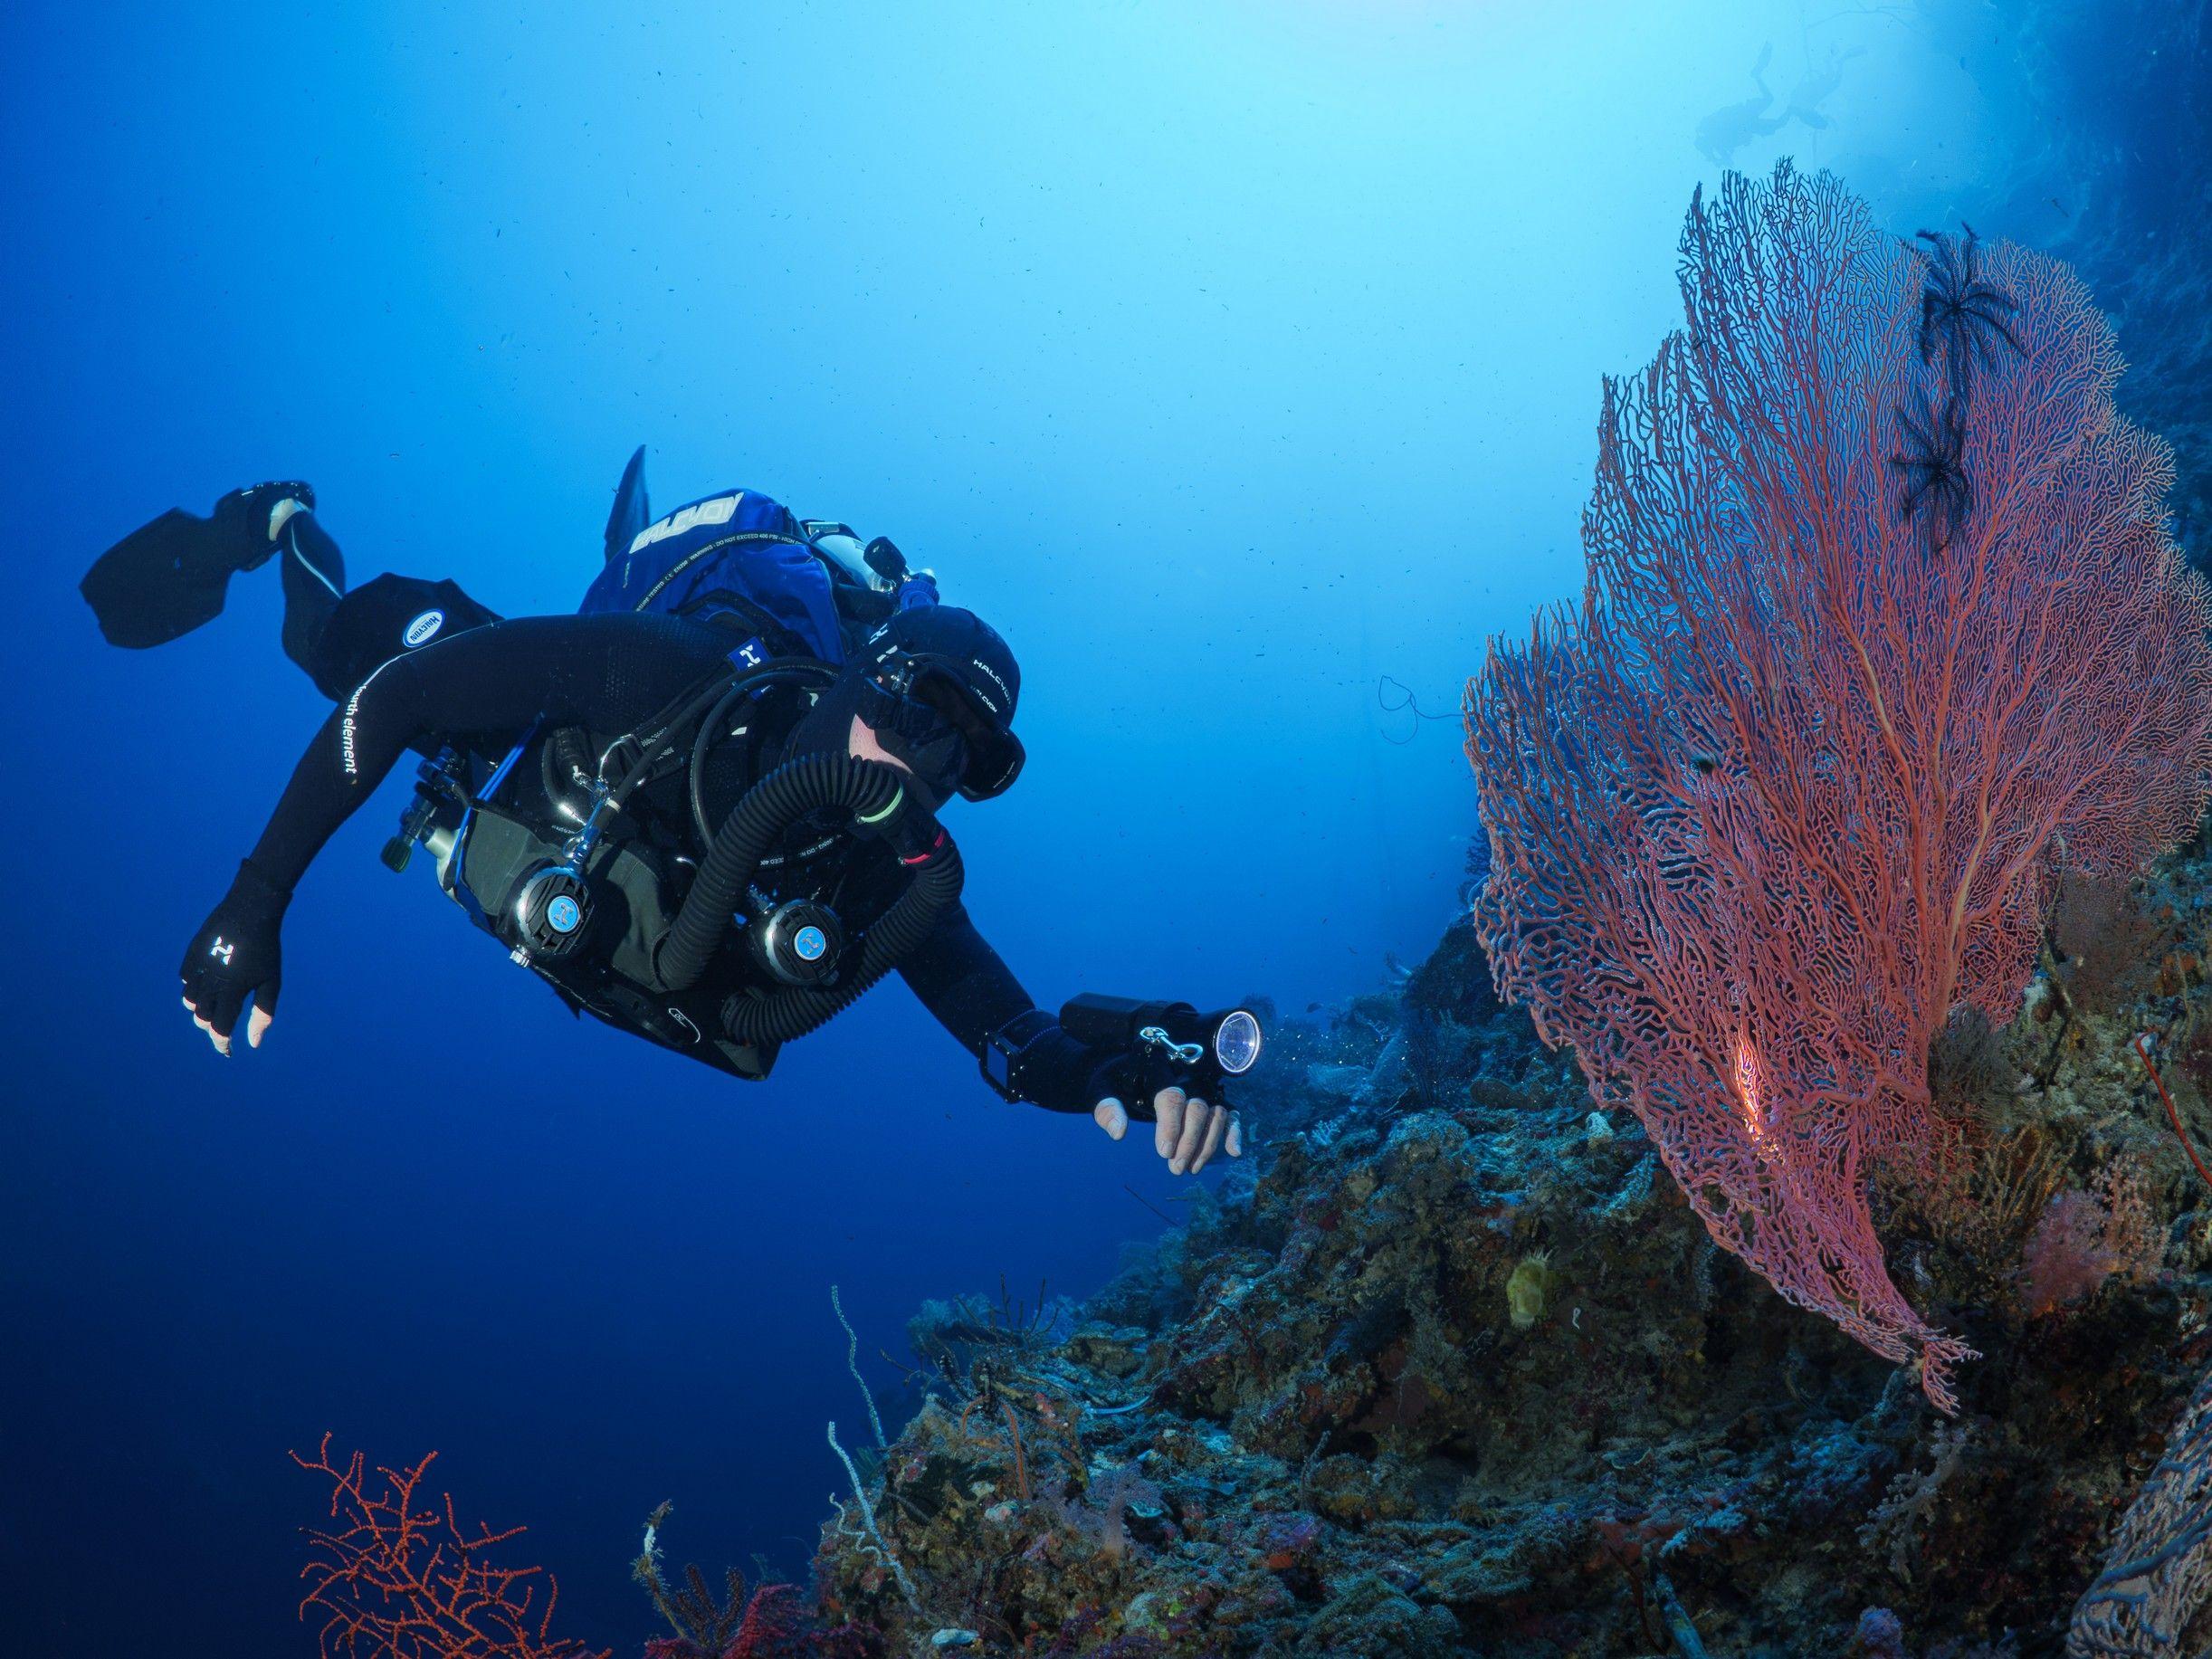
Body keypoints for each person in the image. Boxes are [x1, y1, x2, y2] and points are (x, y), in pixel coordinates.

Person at [82, 468, 1253, 1175]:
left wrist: (1127, 1068)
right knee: (340, 649)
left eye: (965, 754)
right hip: (570, 738)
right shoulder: (674, 672)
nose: (920, 751)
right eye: (910, 704)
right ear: (857, 671)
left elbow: (1016, 1035)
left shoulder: (886, 876)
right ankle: (277, 516)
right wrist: (258, 895)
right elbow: (396, 704)